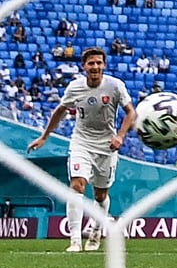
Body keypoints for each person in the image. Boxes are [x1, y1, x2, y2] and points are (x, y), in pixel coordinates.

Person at [27, 47, 137, 252]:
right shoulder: (75, 88)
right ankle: (75, 241)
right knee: (77, 186)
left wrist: (120, 136)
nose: (95, 67)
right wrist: (44, 136)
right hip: (81, 143)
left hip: (107, 146)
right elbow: (60, 110)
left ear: (104, 65)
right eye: (91, 63)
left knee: (100, 195)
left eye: (98, 63)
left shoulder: (115, 86)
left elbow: (131, 113)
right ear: (83, 66)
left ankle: (95, 231)